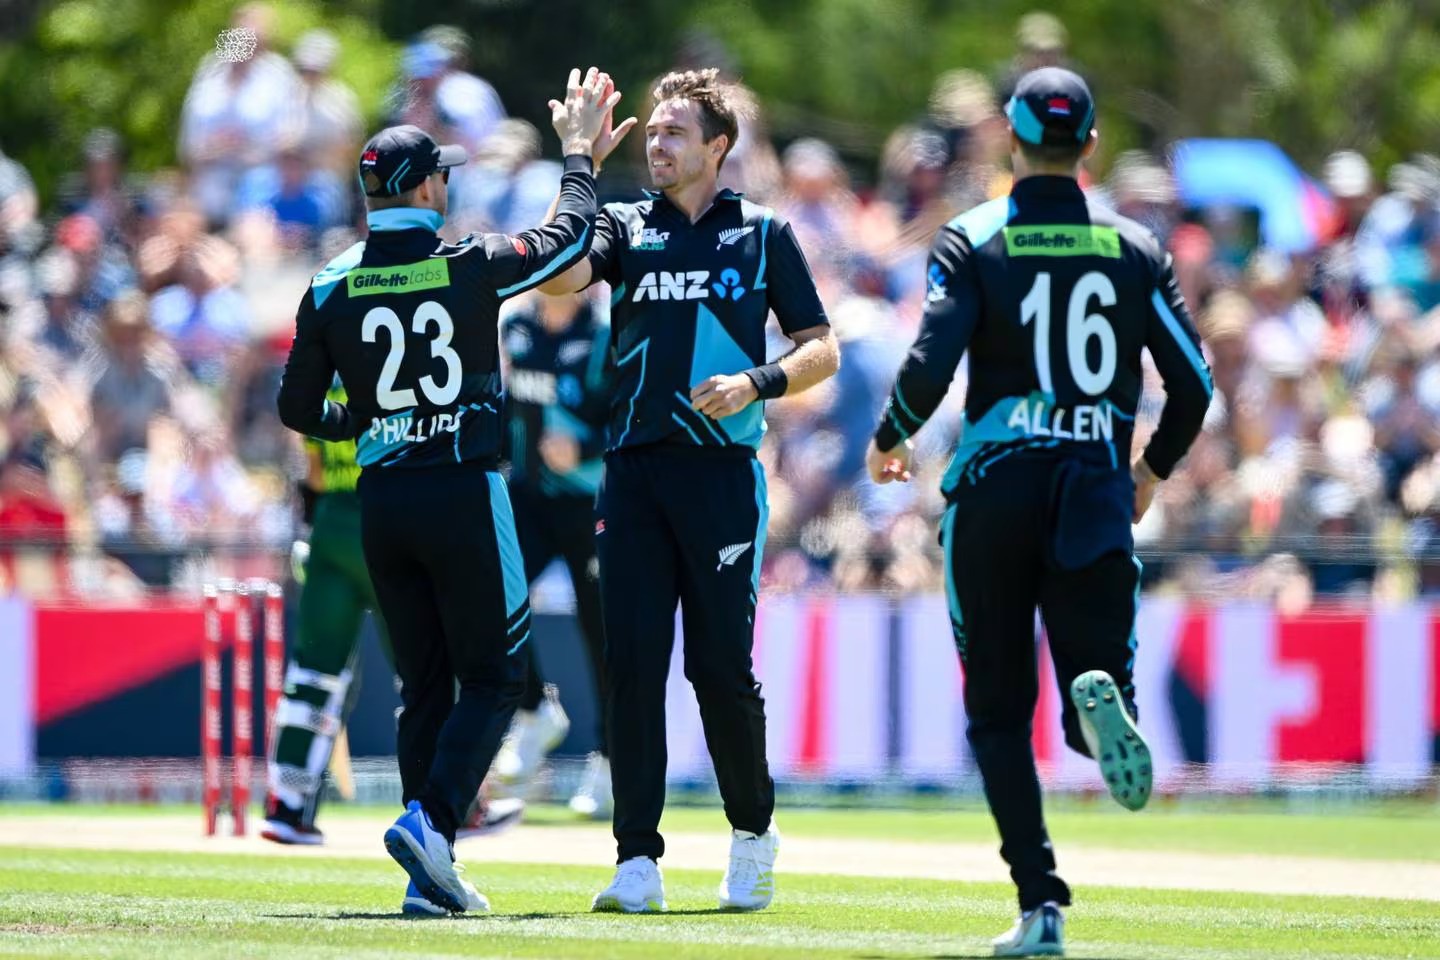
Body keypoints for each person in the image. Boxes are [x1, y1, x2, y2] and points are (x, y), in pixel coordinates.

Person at [865, 67, 1211, 957]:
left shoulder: (975, 237)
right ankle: (1095, 709)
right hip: (1093, 487)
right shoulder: (1134, 245)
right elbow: (1195, 384)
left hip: (995, 490)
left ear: (1011, 140)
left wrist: (889, 437)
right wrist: (1150, 471)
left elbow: (931, 361)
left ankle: (1040, 902)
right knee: (1094, 680)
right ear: (1090, 143)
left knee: (995, 712)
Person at [276, 66, 623, 915]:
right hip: (464, 489)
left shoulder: (329, 280)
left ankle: (428, 878)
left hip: (384, 502)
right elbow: (571, 235)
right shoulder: (467, 262)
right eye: (442, 175)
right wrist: (579, 154)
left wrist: (363, 419)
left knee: (424, 687)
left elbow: (296, 408)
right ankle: (431, 824)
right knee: (497, 680)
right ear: (425, 187)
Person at [537, 68, 840, 914]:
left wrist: (756, 382)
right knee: (632, 668)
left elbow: (822, 347)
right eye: (654, 131)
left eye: (674, 132)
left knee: (718, 670)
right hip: (632, 475)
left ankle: (752, 831)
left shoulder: (762, 232)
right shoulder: (625, 223)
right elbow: (556, 279)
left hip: (720, 479)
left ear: (718, 147)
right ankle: (637, 859)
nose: (657, 144)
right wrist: (578, 160)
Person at [260, 382, 525, 856]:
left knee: (313, 673)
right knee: (426, 675)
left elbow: (314, 473)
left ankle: (287, 804)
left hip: (330, 527)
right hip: (383, 516)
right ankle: (456, 807)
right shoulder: (386, 368)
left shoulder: (325, 379)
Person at [493, 290, 613, 817]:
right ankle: (534, 709)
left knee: (602, 633)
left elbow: (634, 412)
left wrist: (583, 447)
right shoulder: (515, 325)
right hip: (529, 495)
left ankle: (610, 762)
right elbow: (509, 406)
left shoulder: (606, 333)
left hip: (592, 501)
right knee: (490, 594)